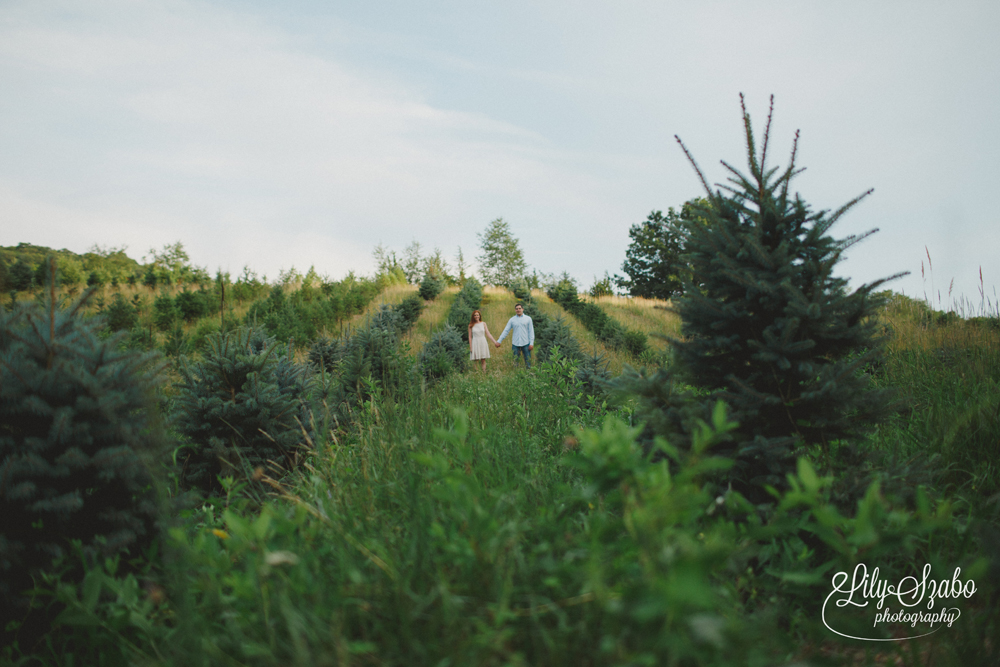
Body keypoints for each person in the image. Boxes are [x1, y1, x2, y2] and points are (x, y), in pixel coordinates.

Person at [495, 303, 534, 369]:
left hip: (526, 343)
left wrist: (531, 343)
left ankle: (529, 374)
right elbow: (506, 331)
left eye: (519, 308)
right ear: (515, 310)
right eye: (516, 309)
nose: (518, 310)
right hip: (515, 344)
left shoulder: (528, 319)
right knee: (515, 362)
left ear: (522, 309)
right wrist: (499, 341)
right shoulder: (512, 320)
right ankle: (516, 374)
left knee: (528, 362)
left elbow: (531, 331)